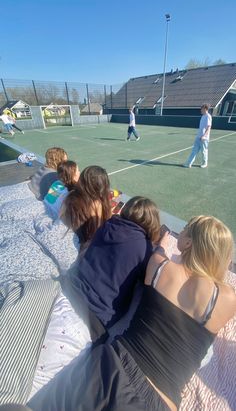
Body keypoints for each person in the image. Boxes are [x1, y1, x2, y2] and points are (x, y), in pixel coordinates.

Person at [28, 215, 236, 411]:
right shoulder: (227, 300)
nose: (180, 232)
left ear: (189, 243)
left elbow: (160, 251)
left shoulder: (160, 266)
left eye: (185, 229)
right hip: (161, 402)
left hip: (113, 365)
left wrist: (163, 241)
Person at [62, 196, 161, 340]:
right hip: (97, 314)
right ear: (152, 221)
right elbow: (150, 279)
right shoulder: (144, 248)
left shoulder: (108, 224)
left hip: (71, 286)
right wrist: (160, 250)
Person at [60, 165, 112, 251]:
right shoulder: (97, 204)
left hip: (73, 236)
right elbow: (99, 231)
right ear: (103, 186)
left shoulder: (71, 195)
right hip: (86, 245)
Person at [183, 104, 212, 168]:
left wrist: (204, 136)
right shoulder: (203, 116)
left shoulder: (208, 116)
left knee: (204, 151)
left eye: (201, 109)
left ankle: (205, 163)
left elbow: (208, 127)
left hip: (204, 138)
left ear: (205, 109)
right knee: (194, 151)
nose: (200, 110)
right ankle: (189, 163)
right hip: (198, 137)